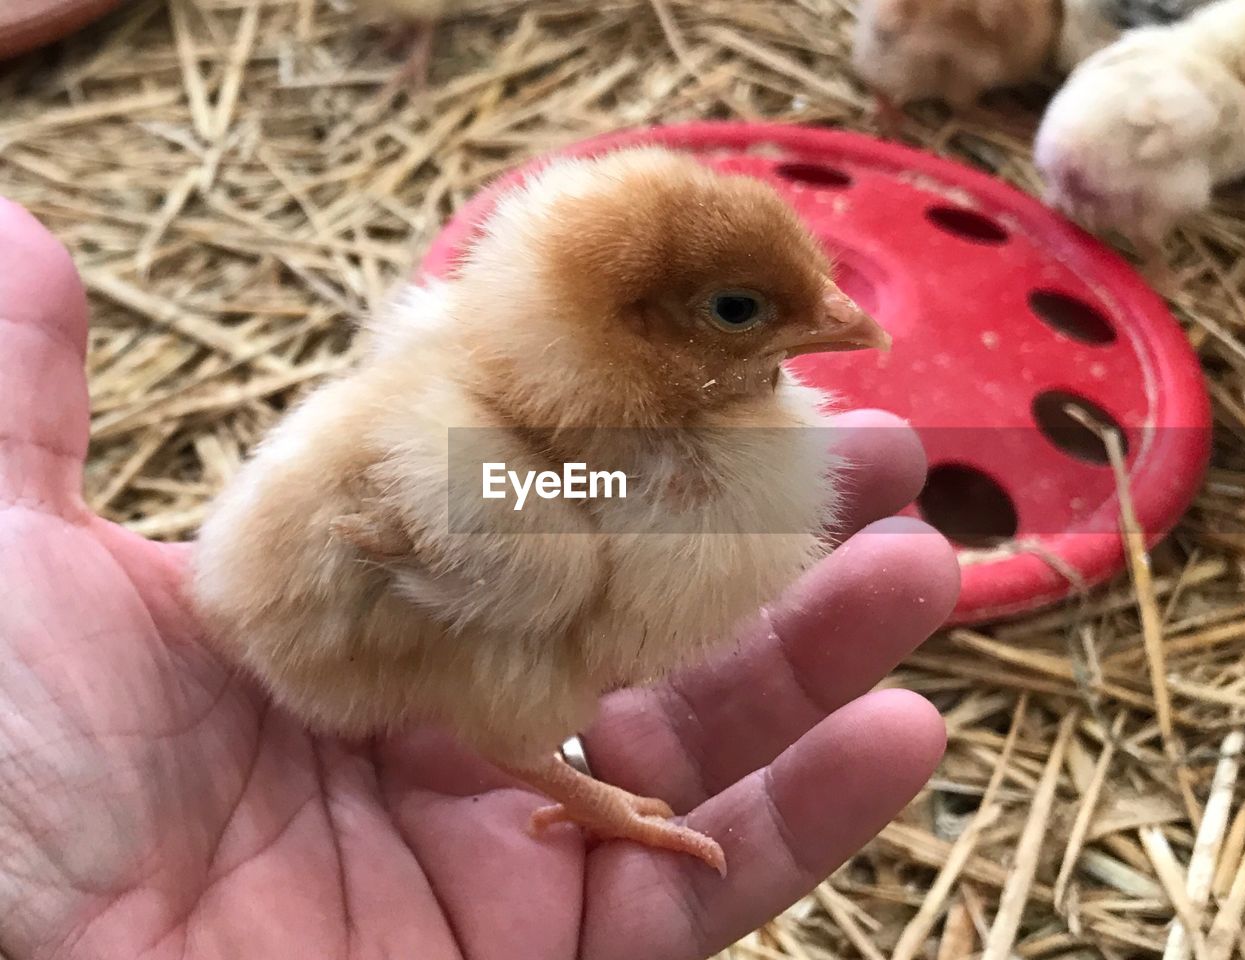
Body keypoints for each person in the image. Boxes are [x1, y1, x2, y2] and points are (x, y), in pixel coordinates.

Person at [0, 196, 959, 960]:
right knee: (536, 577)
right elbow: (368, 551)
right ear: (633, 332)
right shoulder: (528, 502)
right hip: (324, 641)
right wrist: (585, 789)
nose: (841, 318)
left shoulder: (509, 364)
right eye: (740, 310)